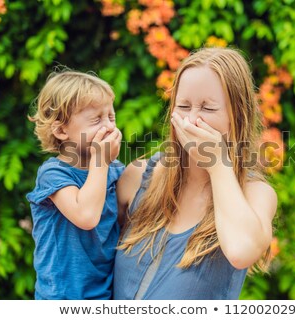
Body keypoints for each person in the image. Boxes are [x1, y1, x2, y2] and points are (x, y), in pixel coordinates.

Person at [114, 47, 278, 300]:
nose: (191, 120)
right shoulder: (139, 176)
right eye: (183, 106)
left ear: (238, 116)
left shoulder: (255, 195)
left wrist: (218, 164)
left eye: (207, 108)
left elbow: (241, 251)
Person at [26, 70, 123, 299]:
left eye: (111, 117)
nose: (109, 127)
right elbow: (86, 216)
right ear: (61, 130)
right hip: (63, 298)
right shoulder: (53, 173)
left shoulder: (114, 169)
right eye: (97, 119)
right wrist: (100, 161)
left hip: (105, 296)